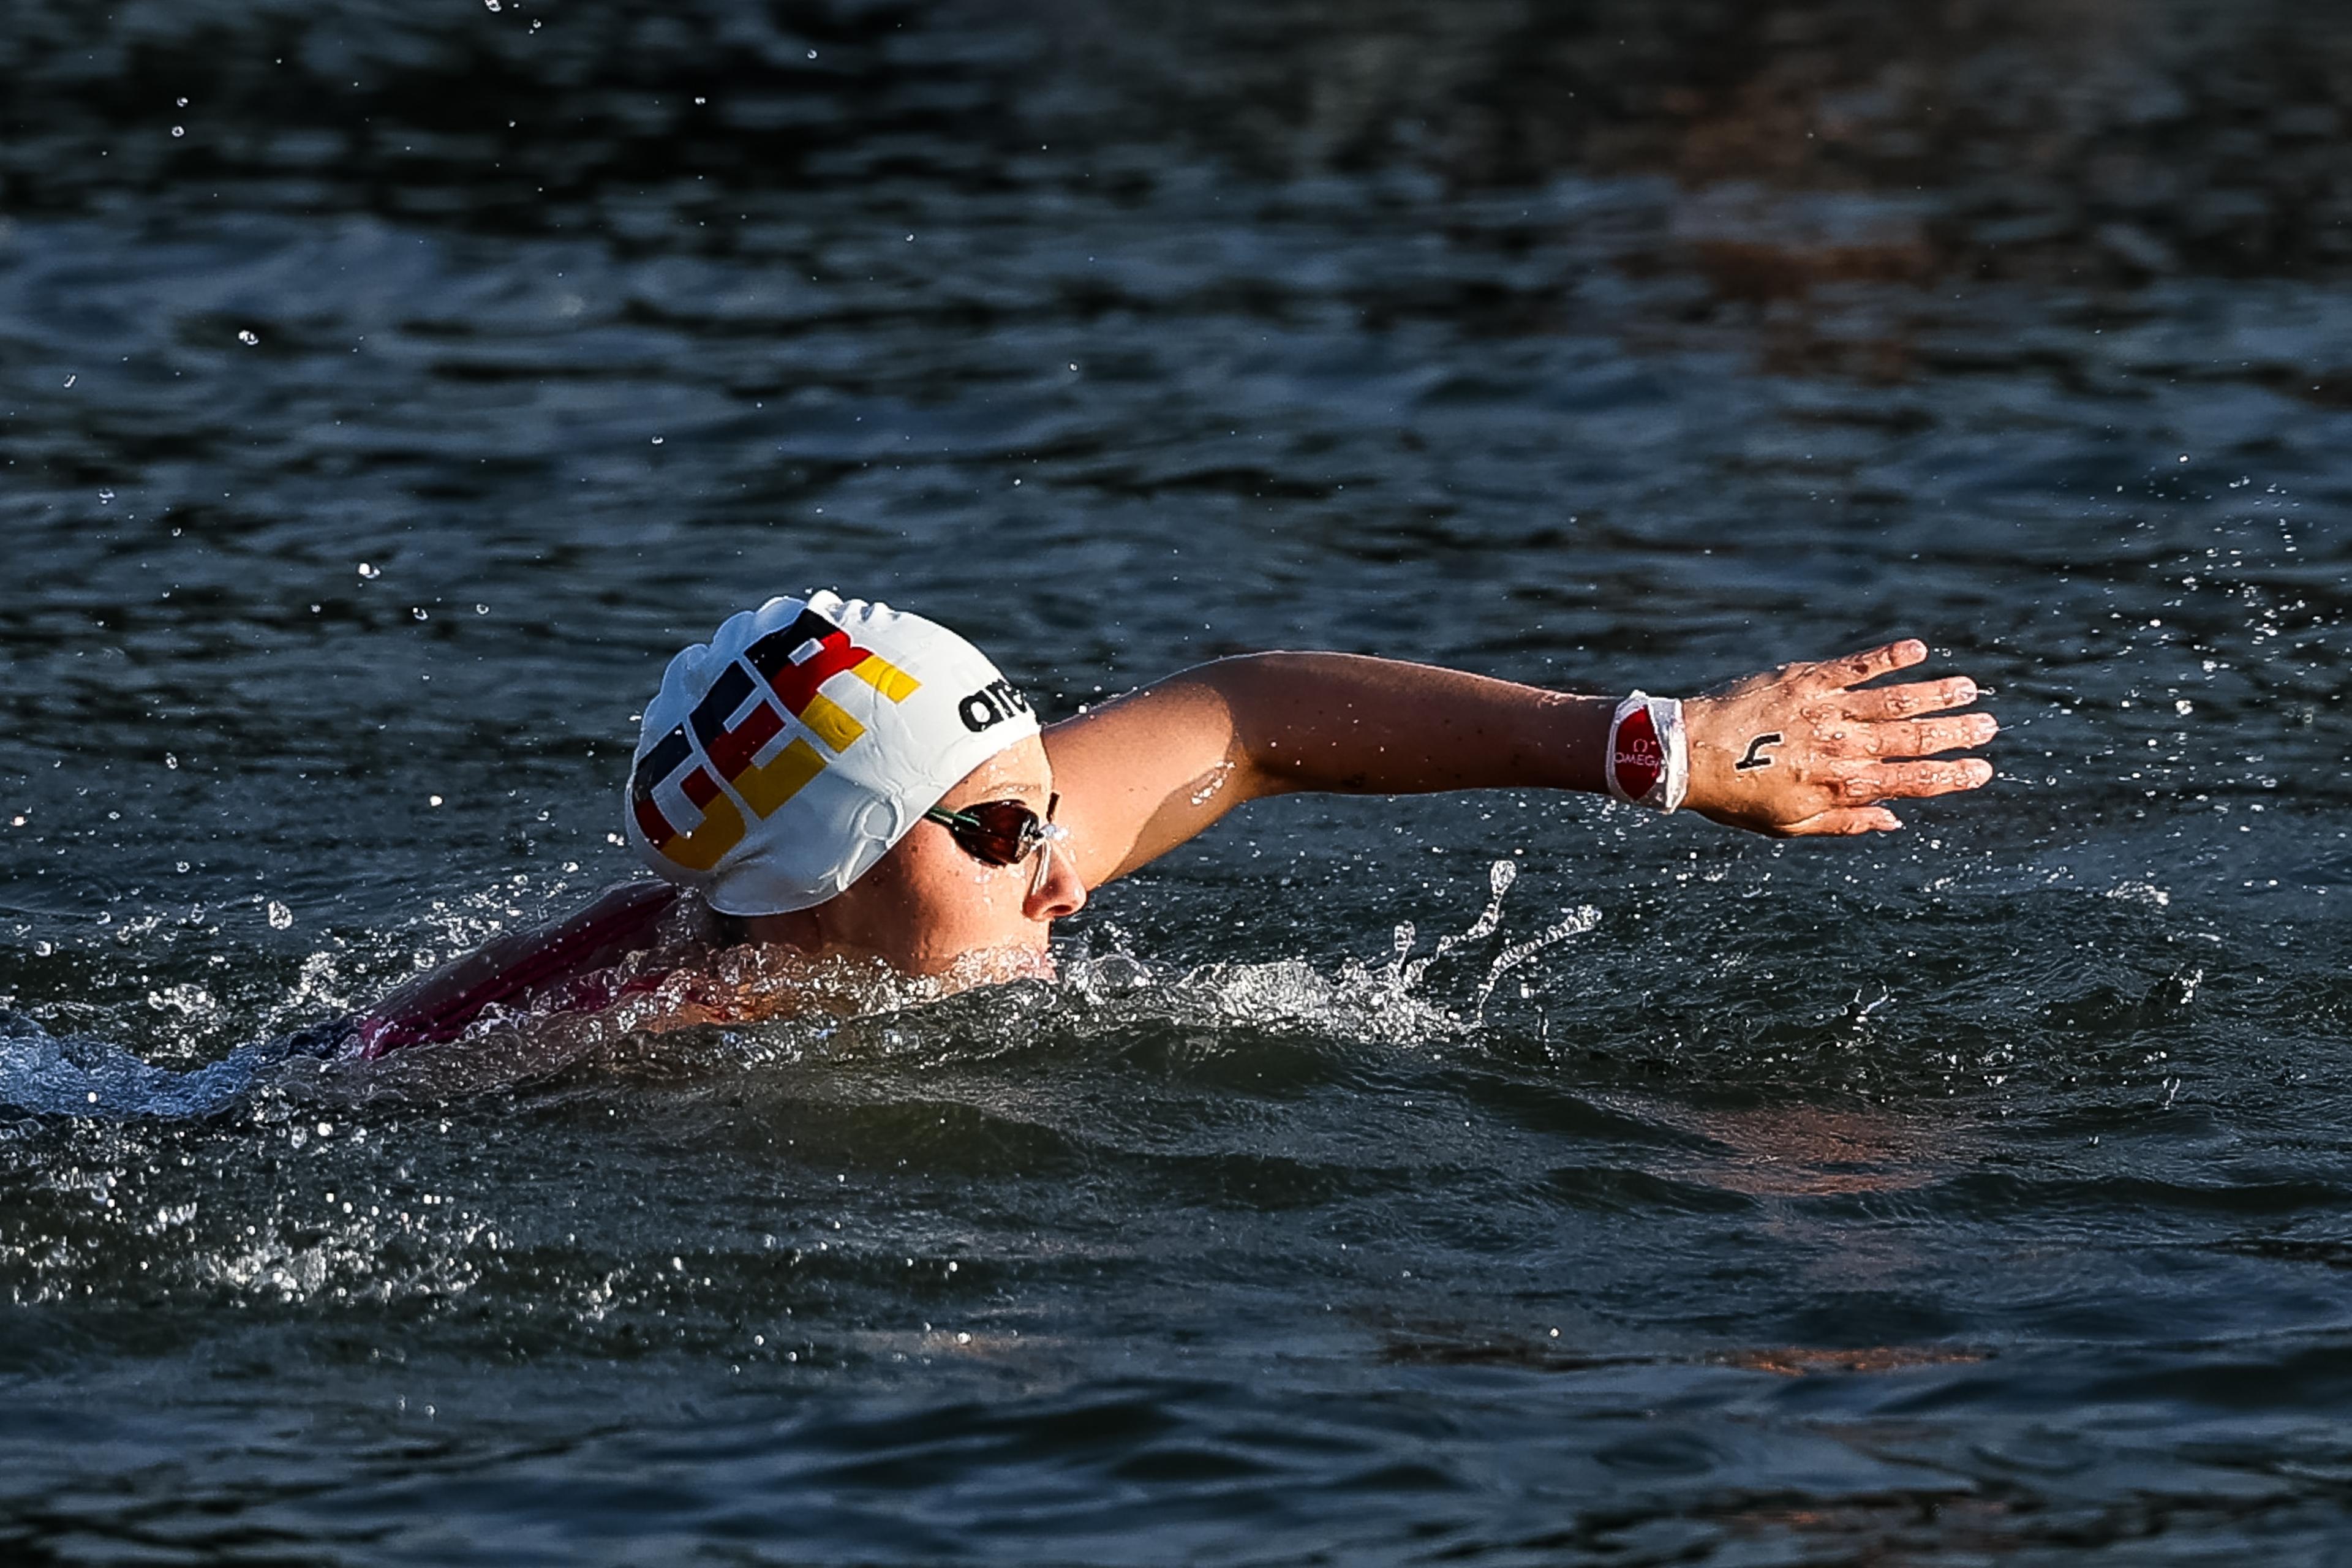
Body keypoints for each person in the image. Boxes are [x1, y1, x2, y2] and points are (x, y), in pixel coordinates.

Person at [341, 590, 1996, 1057]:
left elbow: (1249, 718)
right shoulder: (585, 1052)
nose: (1067, 874)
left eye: (1046, 813)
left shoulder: (901, 872)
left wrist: (1658, 749)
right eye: (1004, 839)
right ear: (817, 876)